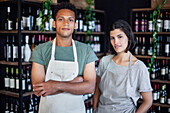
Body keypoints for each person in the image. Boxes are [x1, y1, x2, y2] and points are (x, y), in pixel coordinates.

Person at [30, 2, 98, 113]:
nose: (66, 23)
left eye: (70, 20)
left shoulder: (86, 51)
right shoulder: (40, 50)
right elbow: (39, 90)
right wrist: (76, 82)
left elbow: (90, 87)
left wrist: (55, 85)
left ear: (75, 25)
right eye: (61, 19)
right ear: (54, 23)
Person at [93, 20, 153, 113]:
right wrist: (94, 110)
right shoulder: (105, 61)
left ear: (128, 37)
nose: (116, 42)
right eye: (112, 38)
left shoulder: (139, 67)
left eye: (120, 37)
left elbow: (148, 101)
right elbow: (97, 90)